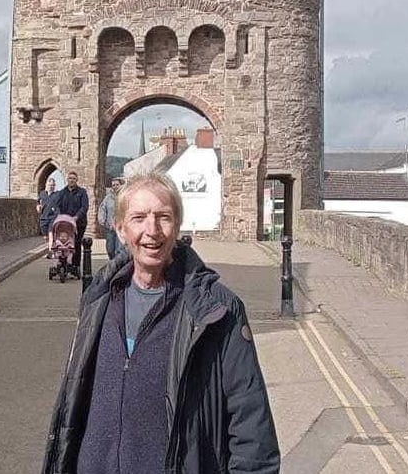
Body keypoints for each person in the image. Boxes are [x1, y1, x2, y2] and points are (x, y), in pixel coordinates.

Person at [41, 172, 280, 474]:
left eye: (163, 217)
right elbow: (72, 406)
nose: (151, 230)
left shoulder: (217, 310)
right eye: (139, 218)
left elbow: (253, 432)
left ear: (177, 226)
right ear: (120, 228)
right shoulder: (98, 299)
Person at [55, 171, 88, 275]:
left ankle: (75, 265)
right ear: (67, 180)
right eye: (70, 178)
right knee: (63, 242)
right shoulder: (62, 192)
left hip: (79, 223)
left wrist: (76, 217)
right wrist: (60, 216)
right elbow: (56, 206)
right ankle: (62, 261)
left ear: (76, 180)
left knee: (76, 244)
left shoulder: (82, 192)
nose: (72, 180)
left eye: (74, 178)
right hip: (64, 223)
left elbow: (84, 207)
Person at [97, 177, 124, 259]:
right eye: (113, 185)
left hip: (121, 227)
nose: (115, 186)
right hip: (110, 227)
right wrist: (102, 220)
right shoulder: (108, 198)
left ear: (120, 185)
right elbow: (102, 208)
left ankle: (117, 266)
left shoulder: (124, 197)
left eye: (117, 184)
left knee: (119, 249)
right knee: (110, 249)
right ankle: (112, 261)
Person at [37, 177, 57, 257]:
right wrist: (38, 207)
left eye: (52, 185)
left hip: (52, 217)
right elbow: (38, 204)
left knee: (51, 233)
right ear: (46, 185)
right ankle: (53, 245)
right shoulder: (42, 194)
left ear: (54, 186)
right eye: (49, 185)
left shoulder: (56, 195)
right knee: (46, 237)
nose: (51, 186)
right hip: (43, 217)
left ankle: (50, 251)